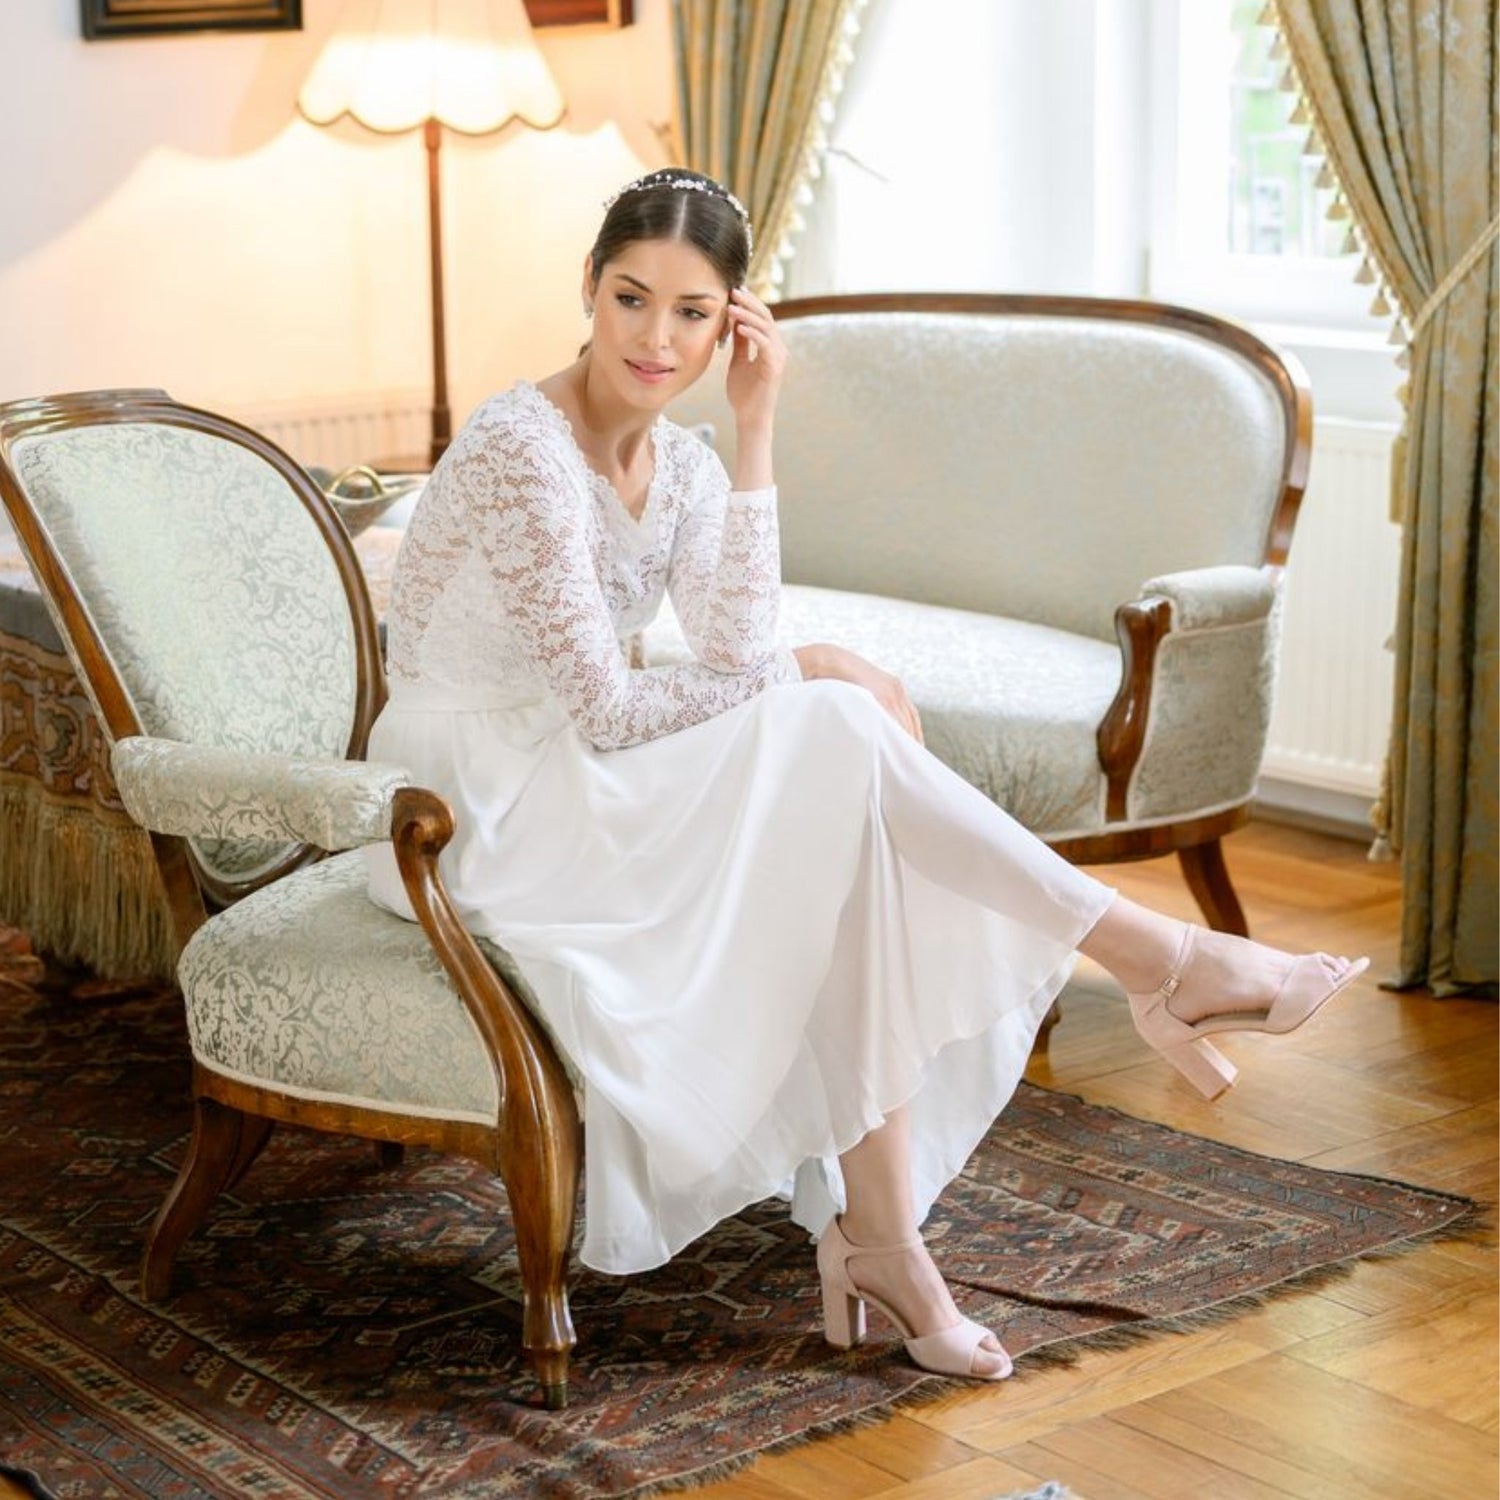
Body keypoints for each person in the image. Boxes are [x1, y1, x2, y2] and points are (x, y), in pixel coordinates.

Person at [365, 168, 1366, 1382]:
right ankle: (1155, 964)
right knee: (833, 721)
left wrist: (757, 427)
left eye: (692, 312)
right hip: (472, 809)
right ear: (589, 287)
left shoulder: (682, 463)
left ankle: (888, 1235)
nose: (655, 338)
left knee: (838, 791)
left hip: (582, 773)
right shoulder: (517, 446)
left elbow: (731, 645)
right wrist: (811, 664)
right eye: (631, 298)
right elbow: (617, 706)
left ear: (732, 323)